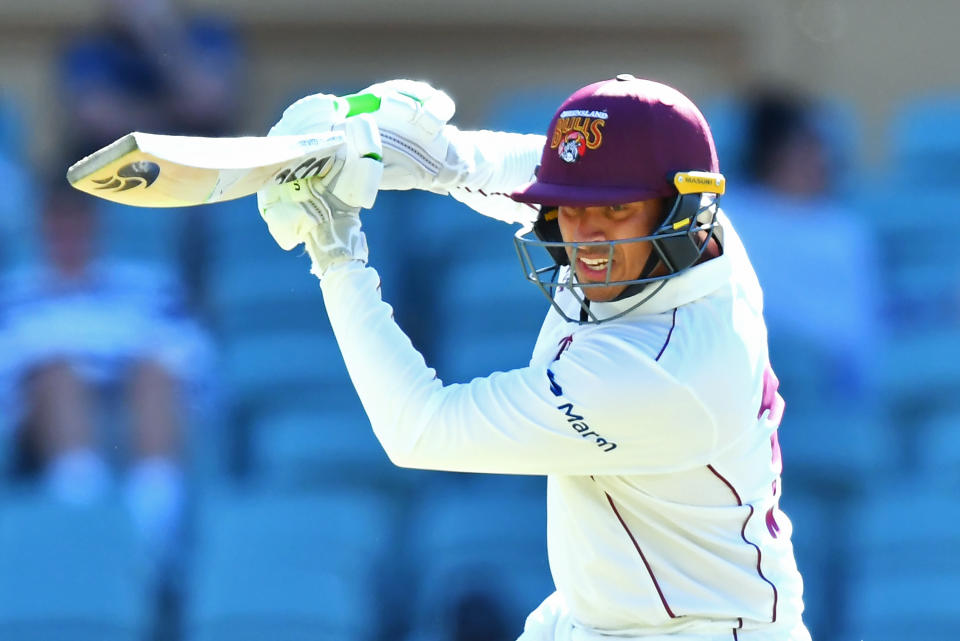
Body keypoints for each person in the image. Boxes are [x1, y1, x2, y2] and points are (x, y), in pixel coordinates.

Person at [256, 77, 810, 641]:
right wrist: (434, 157)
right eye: (571, 209)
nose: (585, 239)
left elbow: (417, 429)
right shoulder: (696, 237)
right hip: (611, 617)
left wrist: (335, 251)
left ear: (680, 209)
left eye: (614, 209)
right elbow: (540, 174)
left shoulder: (656, 371)